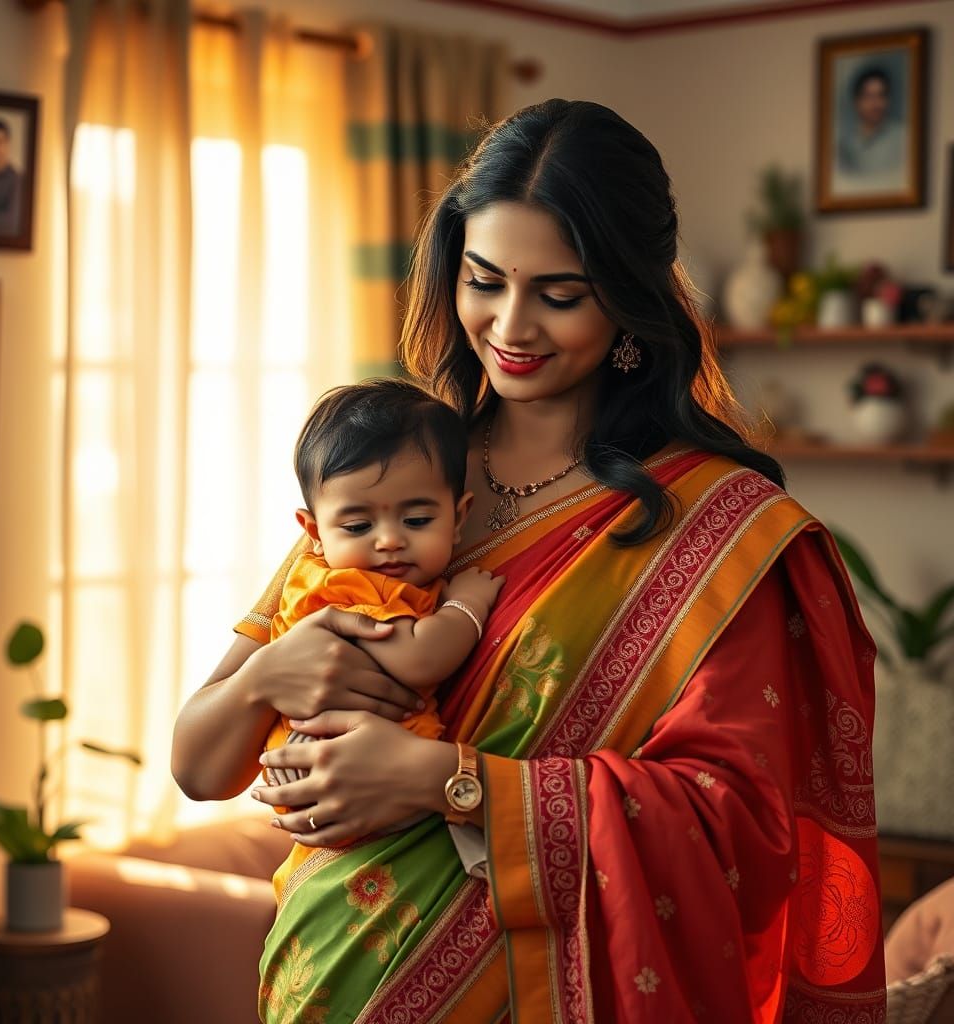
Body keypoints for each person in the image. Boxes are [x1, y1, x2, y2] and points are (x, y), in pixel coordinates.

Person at [172, 98, 886, 1022]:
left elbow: (736, 830)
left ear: (630, 300)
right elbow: (198, 762)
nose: (511, 326)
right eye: (483, 281)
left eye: (560, 294)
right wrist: (272, 668)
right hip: (324, 972)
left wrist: (443, 779)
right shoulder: (396, 480)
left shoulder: (714, 530)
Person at [257, 378, 504, 874]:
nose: (389, 541)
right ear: (314, 533)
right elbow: (419, 659)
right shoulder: (344, 585)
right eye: (357, 527)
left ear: (459, 519)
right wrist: (469, 606)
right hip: (320, 755)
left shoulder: (392, 579)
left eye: (416, 521)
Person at [837, 66, 907, 188]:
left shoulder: (904, 137)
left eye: (880, 95)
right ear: (856, 102)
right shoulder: (845, 143)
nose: (875, 104)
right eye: (868, 96)